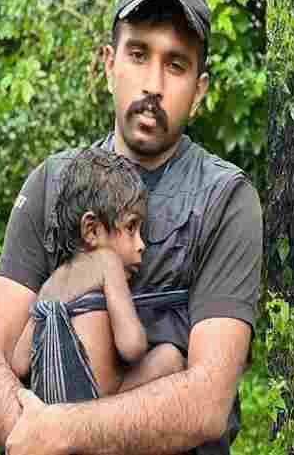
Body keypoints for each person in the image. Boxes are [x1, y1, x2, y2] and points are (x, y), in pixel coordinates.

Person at [0, 0, 262, 454]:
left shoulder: (225, 200)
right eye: (139, 54)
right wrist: (34, 439)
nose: (153, 85)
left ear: (199, 92)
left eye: (175, 65)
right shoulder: (53, 184)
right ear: (108, 64)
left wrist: (65, 432)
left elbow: (208, 402)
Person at [10, 148, 188, 404]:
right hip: (100, 406)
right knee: (170, 356)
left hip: (53, 410)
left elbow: (19, 363)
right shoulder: (107, 262)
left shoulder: (49, 285)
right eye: (131, 227)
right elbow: (132, 346)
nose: (141, 244)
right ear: (92, 230)